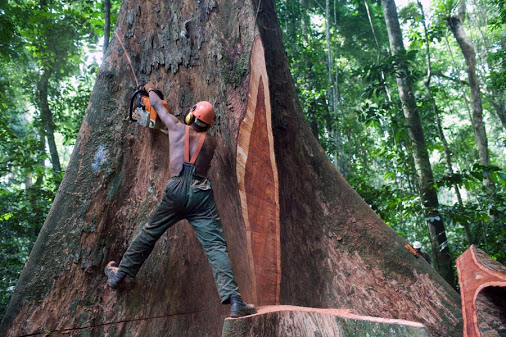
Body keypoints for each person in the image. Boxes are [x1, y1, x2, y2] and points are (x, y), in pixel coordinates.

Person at [104, 83, 256, 318]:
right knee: (215, 246)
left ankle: (121, 273)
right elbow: (195, 142)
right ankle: (235, 301)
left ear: (190, 115)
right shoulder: (212, 142)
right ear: (209, 124)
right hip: (200, 194)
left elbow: (156, 105)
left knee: (149, 233)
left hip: (175, 190)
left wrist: (151, 89)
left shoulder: (176, 128)